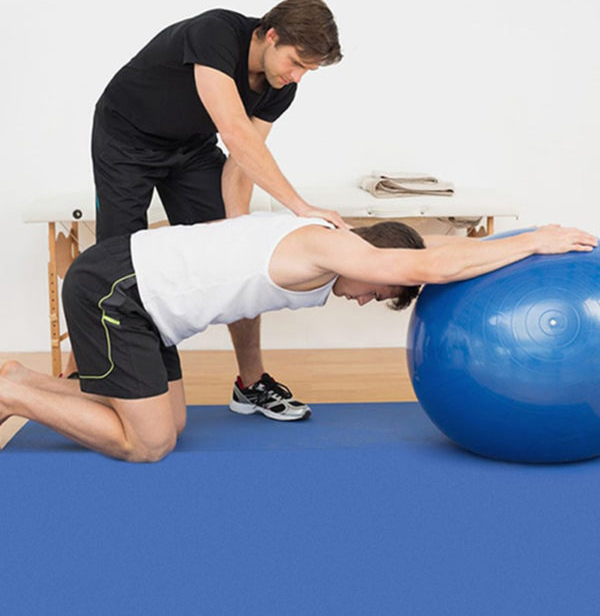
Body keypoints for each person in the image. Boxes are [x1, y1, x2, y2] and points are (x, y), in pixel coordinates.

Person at [1, 213, 595, 461]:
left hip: (148, 302)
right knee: (148, 445)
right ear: (377, 257)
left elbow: (432, 252)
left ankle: (19, 379)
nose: (367, 298)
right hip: (119, 290)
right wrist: (532, 241)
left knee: (172, 424)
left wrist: (495, 247)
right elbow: (427, 267)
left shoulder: (338, 241)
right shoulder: (331, 247)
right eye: (379, 291)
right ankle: (12, 397)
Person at [62, 0, 345, 420]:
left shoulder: (279, 88)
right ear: (271, 36)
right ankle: (79, 378)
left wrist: (237, 231)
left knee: (241, 261)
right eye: (297, 62)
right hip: (126, 138)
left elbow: (239, 164)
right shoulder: (215, 33)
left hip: (190, 150)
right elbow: (234, 132)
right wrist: (300, 206)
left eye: (308, 70)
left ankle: (250, 383)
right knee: (114, 263)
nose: (298, 76)